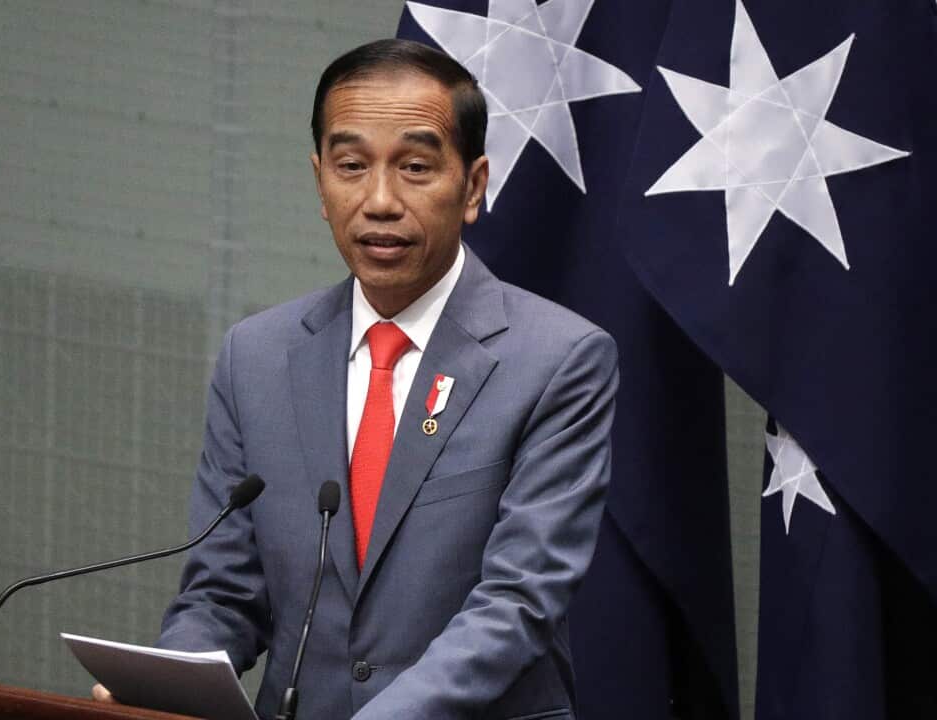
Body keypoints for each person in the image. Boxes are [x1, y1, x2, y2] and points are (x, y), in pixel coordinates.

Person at [94, 39, 618, 719]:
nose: (379, 200)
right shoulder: (256, 357)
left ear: (474, 186)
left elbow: (519, 602)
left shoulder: (560, 361)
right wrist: (168, 689)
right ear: (320, 181)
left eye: (416, 167)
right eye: (351, 166)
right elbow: (224, 594)